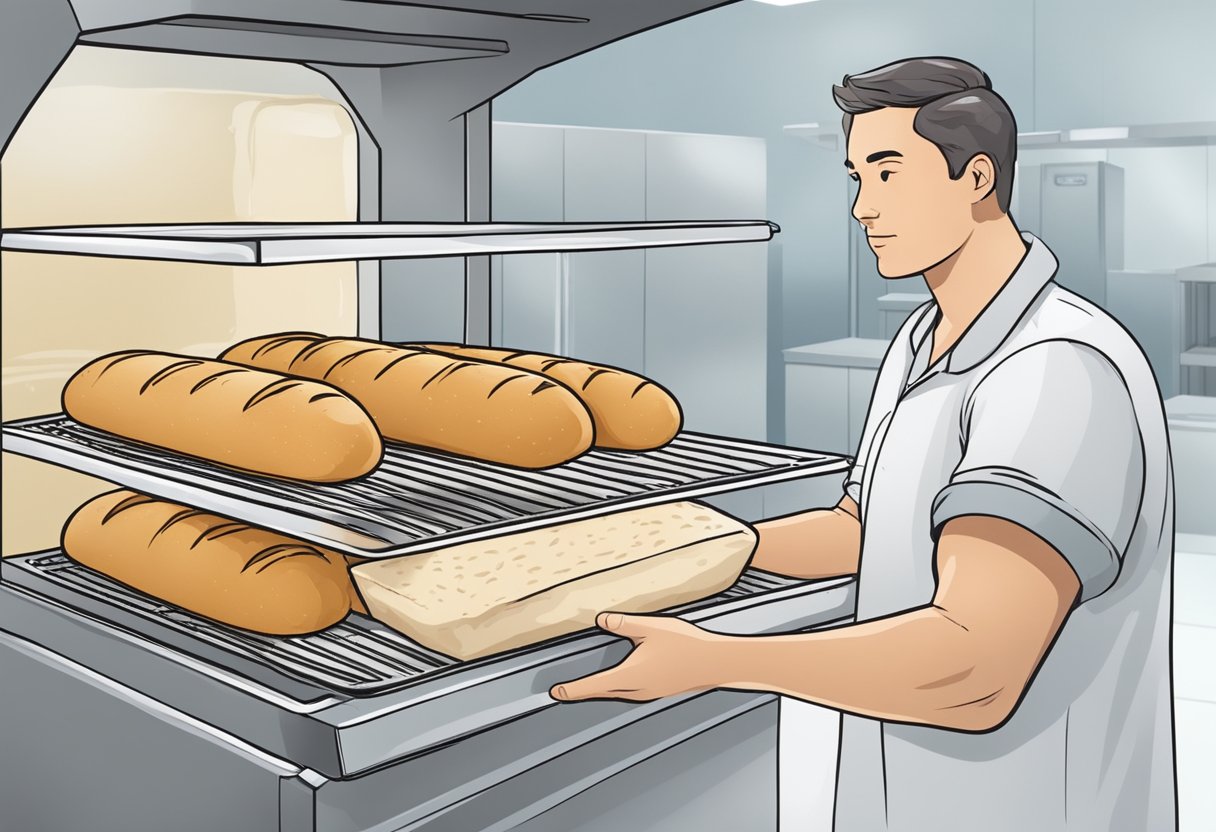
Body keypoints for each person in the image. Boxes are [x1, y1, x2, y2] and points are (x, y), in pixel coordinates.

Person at [550, 57, 1176, 831]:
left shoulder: (1055, 368)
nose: (860, 207)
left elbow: (977, 667)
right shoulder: (922, 338)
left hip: (1029, 803)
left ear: (975, 177)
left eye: (887, 174)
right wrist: (697, 545)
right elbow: (861, 529)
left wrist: (715, 659)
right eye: (856, 177)